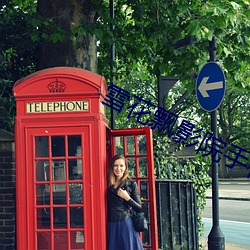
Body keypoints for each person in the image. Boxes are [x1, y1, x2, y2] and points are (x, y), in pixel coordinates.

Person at [107, 154, 144, 250]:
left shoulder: (131, 184)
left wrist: (127, 198)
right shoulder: (108, 183)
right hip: (111, 225)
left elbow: (139, 208)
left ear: (125, 168)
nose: (118, 168)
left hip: (125, 224)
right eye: (115, 165)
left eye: (121, 166)